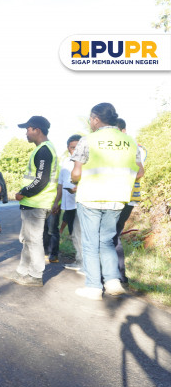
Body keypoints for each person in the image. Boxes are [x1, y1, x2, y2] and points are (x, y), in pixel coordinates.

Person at [71, 103, 143, 301]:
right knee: (107, 241)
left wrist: (74, 179)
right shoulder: (129, 142)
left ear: (96, 119)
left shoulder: (87, 140)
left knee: (90, 242)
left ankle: (94, 287)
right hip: (117, 199)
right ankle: (113, 282)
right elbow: (140, 172)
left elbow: (76, 174)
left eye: (90, 119)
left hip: (90, 197)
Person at [10, 116, 59, 287]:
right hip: (35, 203)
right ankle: (23, 271)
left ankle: (35, 275)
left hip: (36, 203)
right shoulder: (43, 149)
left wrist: (23, 193)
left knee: (34, 240)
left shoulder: (44, 150)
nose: (26, 133)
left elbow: (41, 180)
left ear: (37, 130)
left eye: (28, 129)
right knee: (28, 240)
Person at [112, 118, 146, 285]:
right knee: (113, 235)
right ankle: (119, 275)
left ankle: (118, 275)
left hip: (123, 197)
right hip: (125, 197)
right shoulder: (133, 146)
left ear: (123, 131)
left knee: (113, 235)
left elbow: (139, 172)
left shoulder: (131, 146)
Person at [52, 134, 83, 272]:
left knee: (80, 234)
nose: (74, 150)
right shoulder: (65, 162)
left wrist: (78, 188)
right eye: (72, 147)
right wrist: (56, 202)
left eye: (77, 147)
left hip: (80, 204)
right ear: (68, 148)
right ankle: (79, 261)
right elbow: (60, 185)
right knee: (74, 234)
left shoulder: (86, 162)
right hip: (67, 205)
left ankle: (84, 264)